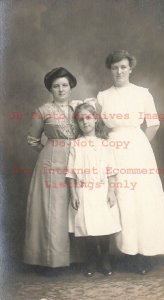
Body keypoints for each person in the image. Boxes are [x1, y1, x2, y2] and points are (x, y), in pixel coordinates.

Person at [96, 50, 164, 274]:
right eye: (114, 67)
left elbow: (153, 124)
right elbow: (99, 127)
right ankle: (111, 255)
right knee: (116, 198)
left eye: (123, 67)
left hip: (138, 149)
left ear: (131, 68)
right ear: (110, 70)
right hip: (112, 150)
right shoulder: (102, 96)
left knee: (140, 199)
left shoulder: (143, 94)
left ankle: (140, 254)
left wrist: (139, 146)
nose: (119, 71)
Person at [23, 67, 80, 267]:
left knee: (76, 207)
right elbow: (33, 140)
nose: (61, 89)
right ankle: (51, 260)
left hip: (77, 161)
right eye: (56, 86)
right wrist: (51, 154)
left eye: (65, 85)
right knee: (52, 209)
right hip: (51, 163)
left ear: (71, 87)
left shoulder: (77, 108)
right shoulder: (42, 111)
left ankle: (79, 259)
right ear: (50, 89)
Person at [66, 103, 121, 276]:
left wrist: (111, 191)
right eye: (81, 119)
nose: (85, 122)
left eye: (88, 118)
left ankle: (105, 259)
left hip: (101, 190)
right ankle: (91, 260)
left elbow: (112, 171)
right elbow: (70, 173)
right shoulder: (75, 144)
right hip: (83, 191)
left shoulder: (105, 144)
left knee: (103, 225)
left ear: (95, 119)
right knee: (87, 227)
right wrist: (73, 193)